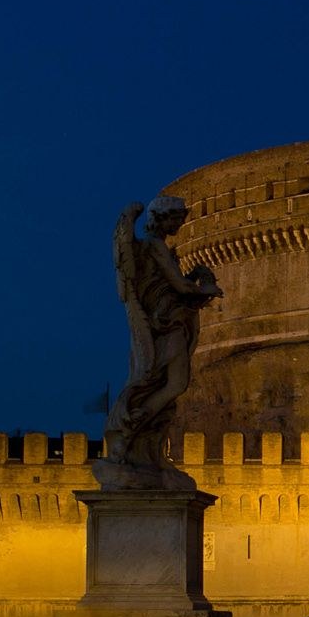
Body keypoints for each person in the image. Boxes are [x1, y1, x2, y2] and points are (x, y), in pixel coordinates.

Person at [106, 197, 223, 481]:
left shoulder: (157, 249)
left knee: (171, 384)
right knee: (174, 383)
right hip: (164, 324)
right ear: (162, 218)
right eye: (176, 221)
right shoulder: (155, 246)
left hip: (171, 321)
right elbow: (179, 285)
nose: (179, 226)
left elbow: (177, 285)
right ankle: (132, 429)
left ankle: (143, 442)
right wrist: (207, 288)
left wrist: (196, 277)